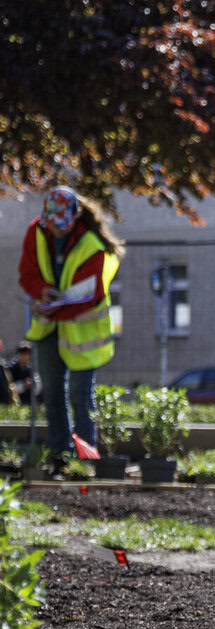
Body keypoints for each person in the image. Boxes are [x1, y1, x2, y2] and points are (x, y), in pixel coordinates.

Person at [16, 187, 120, 461]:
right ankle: (60, 453)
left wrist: (52, 309)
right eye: (52, 225)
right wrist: (42, 291)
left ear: (75, 217)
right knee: (52, 393)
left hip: (83, 331)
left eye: (62, 225)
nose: (57, 231)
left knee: (79, 395)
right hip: (50, 327)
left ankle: (86, 457)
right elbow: (27, 274)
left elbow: (91, 295)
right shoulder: (37, 233)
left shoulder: (93, 245)